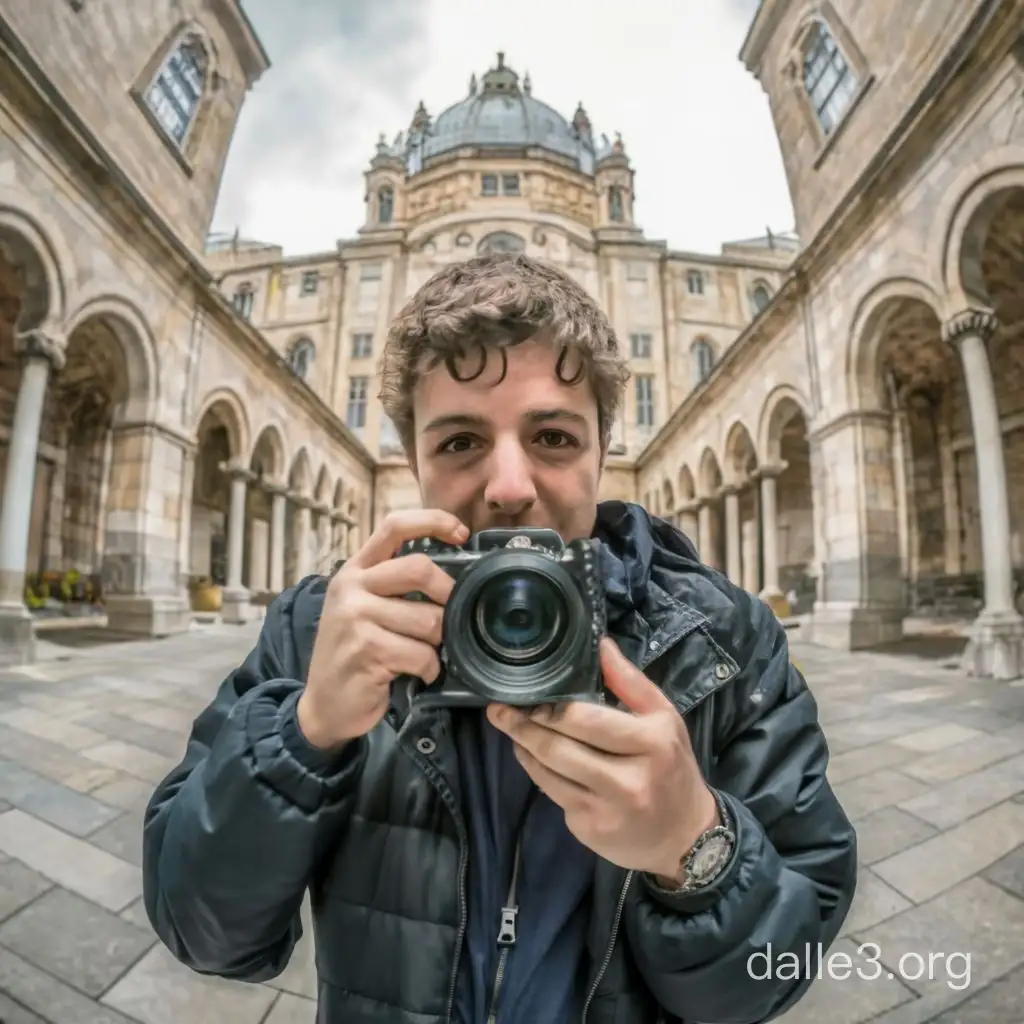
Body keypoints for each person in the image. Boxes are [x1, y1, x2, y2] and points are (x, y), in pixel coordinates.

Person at [143, 253, 857, 1024]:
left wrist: (694, 844)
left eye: (552, 435)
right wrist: (304, 732)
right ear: (410, 456)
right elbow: (205, 935)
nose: (510, 486)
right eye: (459, 443)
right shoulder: (318, 632)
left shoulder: (724, 641)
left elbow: (770, 976)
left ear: (603, 446)